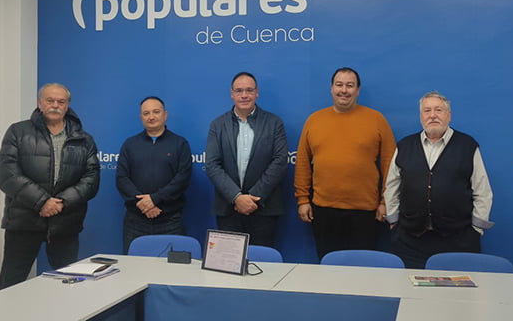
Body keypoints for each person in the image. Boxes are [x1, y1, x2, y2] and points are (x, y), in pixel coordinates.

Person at [0, 83, 100, 289]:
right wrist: (42, 202)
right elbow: (7, 174)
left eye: (61, 102)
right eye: (50, 100)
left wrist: (61, 202)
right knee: (10, 284)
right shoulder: (18, 132)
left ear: (67, 105)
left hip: (65, 223)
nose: (55, 105)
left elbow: (91, 179)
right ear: (40, 103)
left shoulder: (84, 139)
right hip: (23, 223)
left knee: (68, 286)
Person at [294, 67, 396, 259]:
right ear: (331, 88)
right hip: (323, 210)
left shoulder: (376, 119)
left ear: (358, 90)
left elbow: (390, 164)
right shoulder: (314, 120)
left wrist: (386, 202)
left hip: (365, 211)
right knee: (328, 266)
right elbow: (302, 163)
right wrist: (303, 200)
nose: (344, 90)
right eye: (339, 85)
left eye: (350, 85)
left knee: (362, 267)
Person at [384, 91, 494, 269]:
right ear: (421, 116)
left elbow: (482, 190)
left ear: (449, 115)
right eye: (427, 111)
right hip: (409, 241)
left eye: (438, 110)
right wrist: (394, 222)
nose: (432, 115)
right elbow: (392, 187)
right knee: (409, 286)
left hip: (458, 241)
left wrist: (476, 229)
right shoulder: (404, 146)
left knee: (456, 287)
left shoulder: (467, 145)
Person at [205, 72, 288, 247]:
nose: (244, 95)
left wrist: (252, 198)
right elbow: (212, 164)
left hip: (263, 208)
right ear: (232, 94)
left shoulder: (274, 123)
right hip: (228, 209)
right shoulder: (218, 125)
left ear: (257, 93)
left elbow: (279, 161)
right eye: (239, 90)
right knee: (228, 261)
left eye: (249, 90)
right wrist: (236, 197)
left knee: (262, 260)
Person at [116, 96, 192, 254]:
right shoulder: (130, 144)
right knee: (133, 267)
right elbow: (122, 178)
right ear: (141, 117)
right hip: (136, 221)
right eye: (146, 113)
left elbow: (182, 178)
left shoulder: (179, 143)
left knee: (173, 267)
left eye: (156, 112)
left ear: (165, 114)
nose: (151, 116)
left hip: (170, 221)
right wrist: (144, 204)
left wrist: (155, 199)